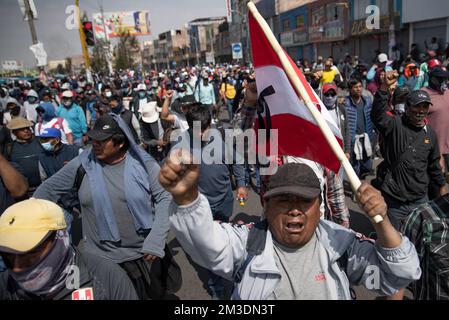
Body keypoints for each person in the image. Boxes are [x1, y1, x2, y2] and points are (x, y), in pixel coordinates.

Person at [160, 159, 421, 300]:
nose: (294, 209)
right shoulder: (248, 245)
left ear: (319, 207)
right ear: (266, 205)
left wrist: (381, 220)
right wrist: (187, 200)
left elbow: (397, 276)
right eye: (284, 200)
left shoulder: (341, 246)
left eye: (305, 201)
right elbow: (207, 245)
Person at [33, 114, 172, 300]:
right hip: (100, 261)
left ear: (120, 143)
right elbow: (45, 192)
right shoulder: (82, 164)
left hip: (143, 256)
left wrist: (156, 239)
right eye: (92, 139)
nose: (95, 144)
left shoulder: (145, 165)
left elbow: (165, 198)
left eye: (102, 140)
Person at [173, 104, 247, 299]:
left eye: (206, 128)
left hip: (223, 202)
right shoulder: (180, 144)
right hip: (199, 209)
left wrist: (241, 184)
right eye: (198, 130)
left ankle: (234, 277)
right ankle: (217, 288)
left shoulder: (222, 137)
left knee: (226, 243)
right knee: (209, 249)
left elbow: (237, 161)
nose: (203, 134)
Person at [0, 199, 139, 300]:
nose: (17, 268)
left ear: (61, 239)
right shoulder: (5, 285)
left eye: (31, 253)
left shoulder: (106, 278)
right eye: (9, 256)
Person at [371, 71, 448, 230]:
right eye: (416, 107)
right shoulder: (394, 125)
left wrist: (441, 187)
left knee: (421, 240)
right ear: (407, 108)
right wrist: (384, 87)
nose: (420, 111)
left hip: (420, 199)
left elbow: (434, 166)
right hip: (395, 200)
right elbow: (377, 116)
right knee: (397, 243)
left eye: (424, 107)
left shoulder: (430, 135)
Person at [343, 78, 376, 179]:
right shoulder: (345, 103)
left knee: (367, 165)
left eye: (360, 86)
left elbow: (373, 117)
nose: (358, 89)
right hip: (353, 140)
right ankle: (355, 190)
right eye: (355, 87)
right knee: (355, 166)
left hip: (366, 139)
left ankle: (362, 183)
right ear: (350, 89)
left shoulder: (368, 101)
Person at [422, 66, 449, 175]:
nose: (444, 81)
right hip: (433, 148)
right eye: (440, 78)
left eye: (446, 78)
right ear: (432, 78)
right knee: (437, 181)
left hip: (448, 147)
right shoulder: (423, 95)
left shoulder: (447, 92)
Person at [5, 118, 43, 196]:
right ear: (14, 132)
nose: (26, 131)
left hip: (44, 187)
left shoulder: (40, 142)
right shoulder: (9, 148)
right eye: (21, 129)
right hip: (24, 192)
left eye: (27, 128)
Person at [321, 83, 350, 157]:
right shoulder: (318, 110)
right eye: (327, 94)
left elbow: (347, 131)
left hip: (340, 150)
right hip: (323, 149)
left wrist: (347, 150)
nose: (329, 97)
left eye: (332, 94)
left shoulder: (342, 109)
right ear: (322, 95)